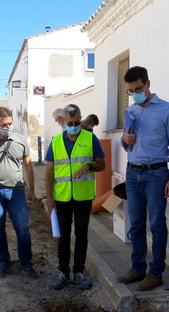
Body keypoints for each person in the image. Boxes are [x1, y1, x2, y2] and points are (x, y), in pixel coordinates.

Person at [117, 66, 169, 291]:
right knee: (135, 223)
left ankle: (156, 273)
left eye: (138, 88)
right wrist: (124, 139)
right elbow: (126, 144)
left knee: (156, 224)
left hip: (156, 174)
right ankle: (137, 269)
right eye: (130, 91)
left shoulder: (168, 110)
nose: (134, 93)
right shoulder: (132, 111)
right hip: (133, 172)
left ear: (148, 84)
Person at [45, 104, 105, 290]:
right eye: (70, 123)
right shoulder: (55, 141)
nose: (74, 125)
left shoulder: (90, 138)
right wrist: (49, 197)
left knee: (81, 234)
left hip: (83, 197)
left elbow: (101, 165)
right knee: (63, 236)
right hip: (62, 197)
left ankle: (78, 272)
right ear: (64, 121)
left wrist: (88, 166)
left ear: (81, 118)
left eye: (77, 122)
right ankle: (64, 273)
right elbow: (49, 171)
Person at [0, 107, 38, 279]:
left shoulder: (21, 140)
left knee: (22, 229)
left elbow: (28, 165)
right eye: (4, 124)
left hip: (17, 191)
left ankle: (27, 263)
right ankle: (3, 262)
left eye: (10, 124)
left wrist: (32, 189)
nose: (8, 127)